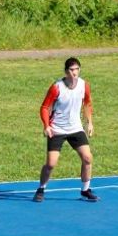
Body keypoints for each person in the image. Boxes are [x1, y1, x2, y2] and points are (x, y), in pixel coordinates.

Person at [33, 57, 97, 203]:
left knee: (87, 158)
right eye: (71, 70)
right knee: (51, 164)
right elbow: (44, 107)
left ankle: (85, 190)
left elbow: (87, 104)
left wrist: (90, 123)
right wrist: (46, 126)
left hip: (75, 128)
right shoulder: (57, 87)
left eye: (77, 69)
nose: (75, 73)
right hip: (57, 129)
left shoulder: (84, 85)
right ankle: (41, 189)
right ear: (66, 71)